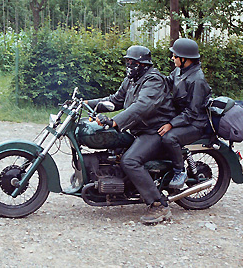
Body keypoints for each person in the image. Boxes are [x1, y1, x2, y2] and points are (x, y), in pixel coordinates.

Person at [86, 45, 176, 224]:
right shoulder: (133, 79)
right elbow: (115, 100)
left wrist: (115, 121)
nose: (129, 65)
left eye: (132, 62)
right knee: (113, 151)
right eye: (127, 61)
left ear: (143, 64)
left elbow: (142, 106)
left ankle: (159, 205)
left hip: (154, 131)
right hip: (138, 129)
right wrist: (87, 102)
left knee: (130, 160)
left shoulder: (153, 80)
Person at [158, 38, 211, 189]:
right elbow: (166, 83)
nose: (172, 58)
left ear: (185, 59)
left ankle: (179, 171)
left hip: (195, 123)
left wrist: (171, 124)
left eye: (175, 56)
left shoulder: (197, 80)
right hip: (181, 118)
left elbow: (192, 112)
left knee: (169, 138)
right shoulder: (179, 71)